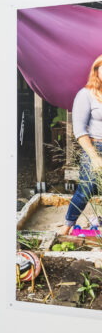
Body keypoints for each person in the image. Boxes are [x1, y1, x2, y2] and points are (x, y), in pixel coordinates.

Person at [59, 54, 102, 235]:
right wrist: (94, 157)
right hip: (96, 146)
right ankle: (67, 227)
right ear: (96, 70)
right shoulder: (86, 94)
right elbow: (79, 130)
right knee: (86, 189)